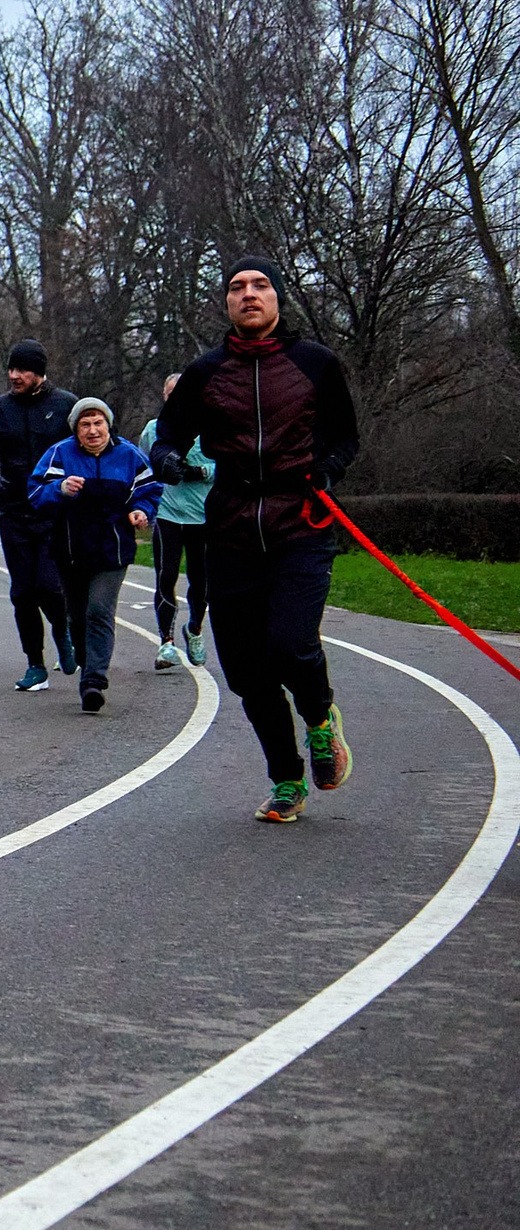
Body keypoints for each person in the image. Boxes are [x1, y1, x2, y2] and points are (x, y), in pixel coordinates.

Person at [156, 256, 361, 823]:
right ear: (226, 303)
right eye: (237, 288)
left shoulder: (315, 364)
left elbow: (345, 437)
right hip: (230, 527)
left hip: (301, 522)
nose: (249, 295)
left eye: (261, 286)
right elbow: (169, 432)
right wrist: (167, 457)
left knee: (291, 642)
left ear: (276, 299)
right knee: (246, 670)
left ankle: (320, 721)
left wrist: (327, 470)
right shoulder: (206, 372)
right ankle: (286, 780)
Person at [27, 398, 161, 713]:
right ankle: (88, 663)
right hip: (71, 551)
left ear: (107, 425)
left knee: (99, 610)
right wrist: (59, 488)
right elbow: (35, 493)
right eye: (85, 424)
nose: (92, 430)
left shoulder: (128, 455)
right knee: (76, 615)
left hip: (112, 550)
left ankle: (94, 681)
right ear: (76, 428)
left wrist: (142, 511)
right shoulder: (60, 454)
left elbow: (150, 489)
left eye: (98, 423)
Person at [0, 340, 78, 693]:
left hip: (54, 509)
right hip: (14, 508)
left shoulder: (65, 404)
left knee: (48, 583)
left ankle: (62, 631)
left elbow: (89, 443)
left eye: (23, 370)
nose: (15, 376)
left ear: (40, 372)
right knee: (22, 591)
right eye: (12, 369)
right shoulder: (0, 408)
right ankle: (35, 663)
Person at [139, 377, 213, 671]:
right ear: (164, 395)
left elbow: (232, 466)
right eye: (172, 395)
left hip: (203, 516)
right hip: (168, 514)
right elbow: (142, 465)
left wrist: (201, 471)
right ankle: (166, 642)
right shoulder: (154, 429)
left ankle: (194, 629)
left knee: (202, 582)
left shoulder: (211, 429)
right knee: (165, 576)